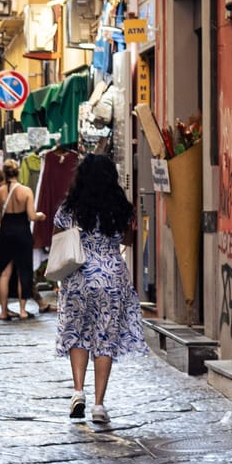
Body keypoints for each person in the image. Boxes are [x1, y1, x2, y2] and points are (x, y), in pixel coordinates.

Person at [52, 154, 147, 423]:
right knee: (105, 337)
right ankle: (98, 404)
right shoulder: (121, 207)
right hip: (111, 277)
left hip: (78, 276)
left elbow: (57, 240)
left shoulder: (69, 208)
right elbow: (127, 240)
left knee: (78, 333)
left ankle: (78, 391)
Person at [0, 161, 43, 320]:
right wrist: (41, 216)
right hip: (22, 232)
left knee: (5, 272)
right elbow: (32, 216)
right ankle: (22, 310)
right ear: (18, 172)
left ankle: (4, 310)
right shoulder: (26, 191)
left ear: (5, 174)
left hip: (6, 232)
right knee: (23, 271)